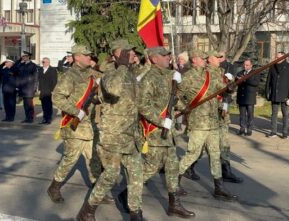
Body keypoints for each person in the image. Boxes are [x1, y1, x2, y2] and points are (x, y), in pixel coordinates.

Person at [76, 45, 143, 220]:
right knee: (110, 175)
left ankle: (135, 213)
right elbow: (114, 90)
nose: (133, 54)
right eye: (128, 51)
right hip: (113, 135)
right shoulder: (109, 75)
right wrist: (121, 65)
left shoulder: (130, 75)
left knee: (136, 175)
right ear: (118, 54)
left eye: (133, 52)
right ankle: (87, 211)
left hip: (131, 135)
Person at [134, 46, 195, 218]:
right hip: (155, 132)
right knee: (151, 168)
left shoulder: (170, 76)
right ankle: (129, 193)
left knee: (172, 167)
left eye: (169, 54)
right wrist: (162, 121)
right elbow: (143, 105)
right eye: (165, 55)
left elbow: (173, 101)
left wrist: (185, 108)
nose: (169, 57)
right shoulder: (148, 78)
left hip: (168, 134)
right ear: (154, 59)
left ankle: (174, 205)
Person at [177, 48, 238, 202]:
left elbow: (222, 87)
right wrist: (184, 107)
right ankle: (174, 182)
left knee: (215, 154)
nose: (205, 60)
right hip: (198, 122)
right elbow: (176, 95)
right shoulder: (187, 76)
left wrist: (230, 87)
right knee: (193, 154)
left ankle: (219, 187)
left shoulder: (208, 74)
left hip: (213, 122)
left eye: (206, 58)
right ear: (194, 60)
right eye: (202, 58)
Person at [47, 45, 106, 204]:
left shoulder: (92, 75)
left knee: (93, 159)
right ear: (77, 57)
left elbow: (97, 94)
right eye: (86, 55)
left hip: (90, 125)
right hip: (76, 126)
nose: (89, 58)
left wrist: (96, 99)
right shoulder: (69, 76)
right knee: (70, 160)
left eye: (89, 55)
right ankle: (54, 187)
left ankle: (97, 191)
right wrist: (75, 111)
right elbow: (57, 98)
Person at [207, 50, 243, 184]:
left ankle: (226, 171)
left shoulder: (223, 71)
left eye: (221, 57)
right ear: (210, 59)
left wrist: (231, 84)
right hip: (210, 114)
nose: (220, 59)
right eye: (217, 57)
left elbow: (229, 89)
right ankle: (186, 169)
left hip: (222, 110)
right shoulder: (207, 73)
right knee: (200, 147)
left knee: (225, 143)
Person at [265, 51, 289, 139]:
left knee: (285, 114)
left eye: (279, 57)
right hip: (274, 94)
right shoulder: (272, 67)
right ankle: (273, 131)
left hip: (285, 95)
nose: (277, 59)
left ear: (284, 58)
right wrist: (267, 93)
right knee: (274, 114)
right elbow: (268, 81)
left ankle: (285, 132)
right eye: (276, 57)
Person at [236, 59, 260, 136]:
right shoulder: (240, 73)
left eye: (247, 65)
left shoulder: (255, 73)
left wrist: (245, 79)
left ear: (251, 65)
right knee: (242, 114)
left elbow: (256, 83)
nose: (245, 66)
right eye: (244, 65)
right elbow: (236, 82)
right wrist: (238, 80)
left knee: (250, 114)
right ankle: (242, 129)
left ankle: (249, 129)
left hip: (250, 97)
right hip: (241, 97)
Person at [15, 51, 38, 123]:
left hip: (29, 88)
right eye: (22, 56)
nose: (23, 58)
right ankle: (27, 117)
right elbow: (15, 70)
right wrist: (19, 61)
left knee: (29, 104)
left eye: (24, 56)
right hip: (23, 88)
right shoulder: (21, 65)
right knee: (25, 104)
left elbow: (36, 77)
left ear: (28, 57)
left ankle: (30, 118)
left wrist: (35, 88)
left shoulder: (33, 65)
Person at [38, 57, 58, 124]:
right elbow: (39, 80)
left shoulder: (52, 70)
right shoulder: (40, 69)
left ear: (48, 62)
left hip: (49, 90)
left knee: (49, 105)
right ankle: (44, 118)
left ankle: (48, 119)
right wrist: (39, 89)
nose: (43, 63)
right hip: (42, 90)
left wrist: (53, 90)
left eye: (44, 62)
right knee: (43, 105)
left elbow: (54, 81)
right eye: (42, 62)